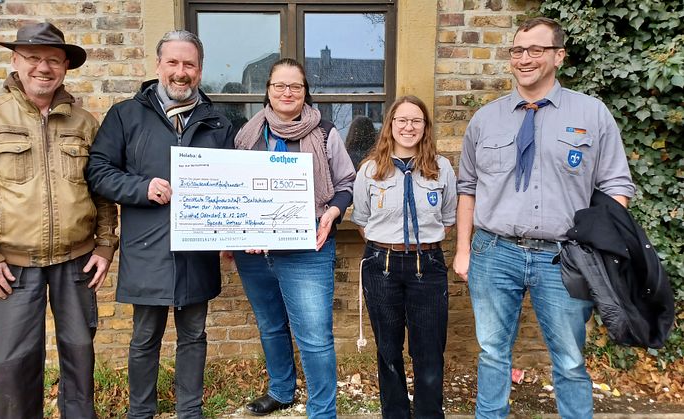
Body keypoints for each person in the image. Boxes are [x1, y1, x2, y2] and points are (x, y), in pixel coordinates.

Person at [453, 17, 635, 418]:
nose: (524, 58)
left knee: (569, 359)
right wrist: (463, 250)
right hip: (493, 252)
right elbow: (467, 188)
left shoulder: (592, 113)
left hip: (564, 257)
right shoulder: (486, 119)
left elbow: (616, 185)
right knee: (492, 353)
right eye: (518, 50)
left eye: (536, 50)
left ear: (558, 56)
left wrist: (600, 248)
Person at [0, 22, 119, 418]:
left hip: (75, 262)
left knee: (79, 354)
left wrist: (106, 245)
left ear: (64, 68)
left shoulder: (84, 123)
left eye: (53, 60)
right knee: (12, 362)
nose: (44, 68)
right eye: (34, 58)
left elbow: (102, 190)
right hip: (10, 265)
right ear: (15, 61)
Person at [84, 31, 233, 418]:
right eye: (173, 63)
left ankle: (190, 411)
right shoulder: (126, 114)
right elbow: (98, 171)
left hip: (198, 248)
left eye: (189, 65)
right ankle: (141, 412)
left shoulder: (218, 122)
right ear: (158, 65)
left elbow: (234, 182)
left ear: (199, 71)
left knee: (194, 335)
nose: (181, 73)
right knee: (144, 337)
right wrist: (141, 187)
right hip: (148, 247)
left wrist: (236, 229)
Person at [229, 58, 356, 418]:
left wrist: (333, 212)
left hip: (307, 249)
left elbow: (346, 184)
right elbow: (234, 188)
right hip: (254, 252)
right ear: (267, 91)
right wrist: (233, 232)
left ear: (305, 92)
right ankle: (281, 391)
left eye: (295, 86)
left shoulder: (326, 133)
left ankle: (322, 410)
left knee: (315, 337)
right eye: (279, 86)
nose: (287, 93)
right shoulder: (247, 134)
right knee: (270, 325)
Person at [351, 96, 456, 418]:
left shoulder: (442, 168)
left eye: (416, 121)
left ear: (425, 127)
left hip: (429, 265)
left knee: (429, 349)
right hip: (382, 265)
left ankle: (428, 413)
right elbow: (363, 221)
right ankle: (395, 412)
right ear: (390, 126)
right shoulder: (370, 170)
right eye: (402, 120)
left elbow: (448, 218)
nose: (408, 127)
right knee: (388, 349)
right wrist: (391, 245)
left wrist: (419, 248)